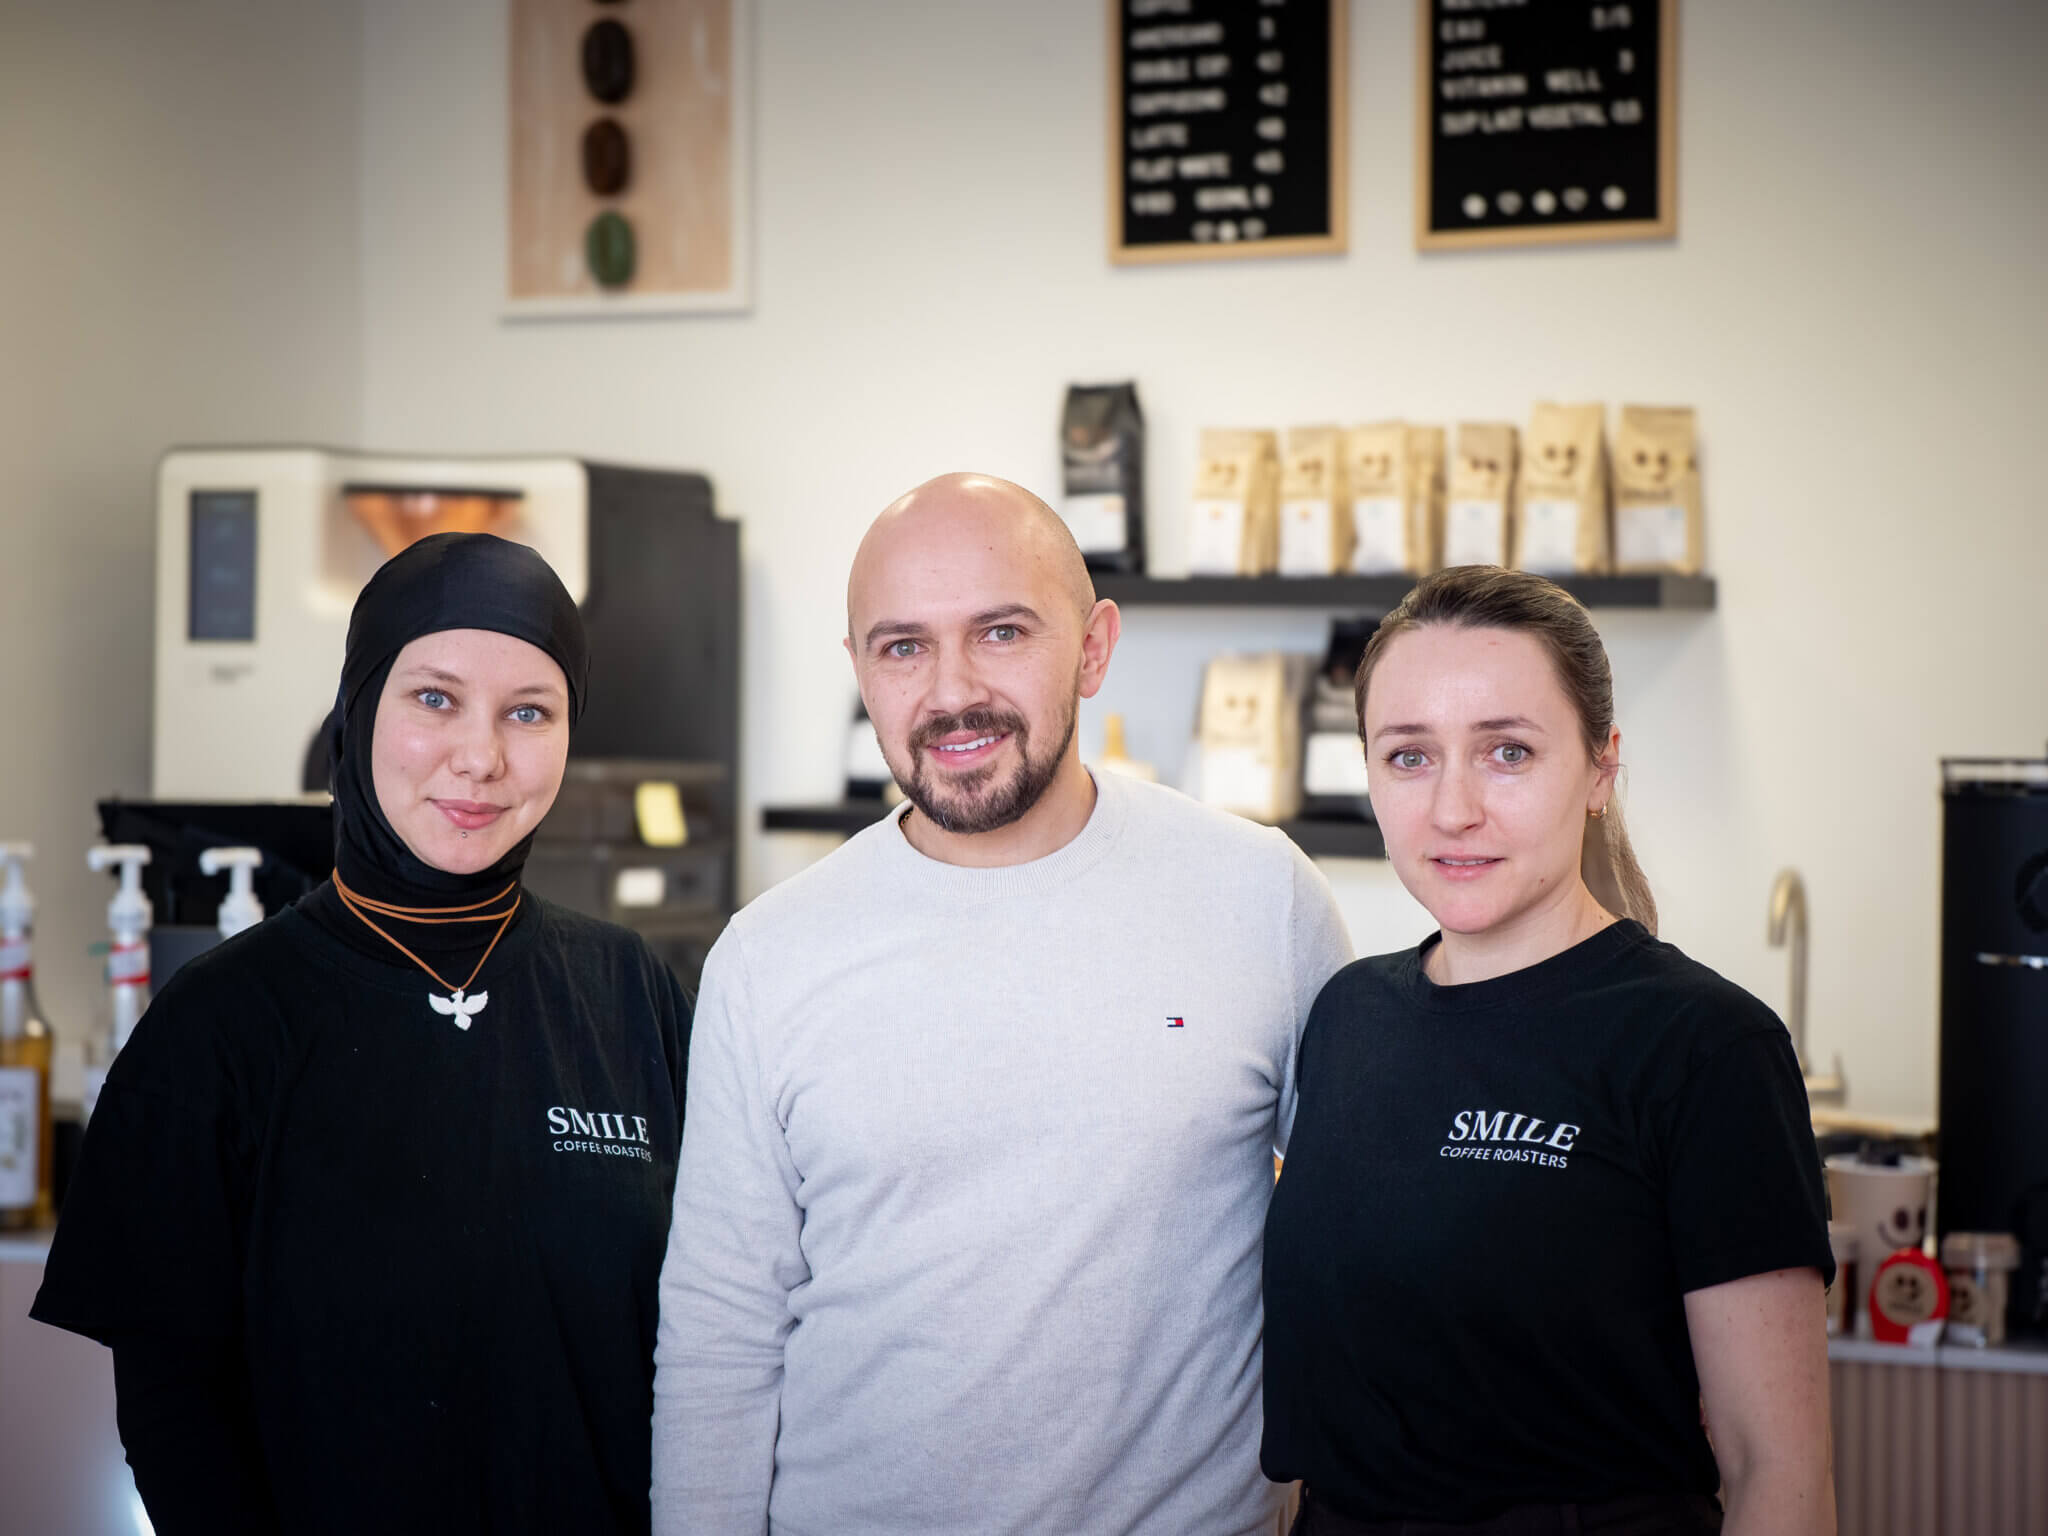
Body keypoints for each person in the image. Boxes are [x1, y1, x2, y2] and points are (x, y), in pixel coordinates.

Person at [652, 473, 1353, 1536]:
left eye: (1000, 631)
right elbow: (721, 1331)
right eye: (902, 647)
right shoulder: (768, 954)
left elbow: (1357, 1255)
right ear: (859, 671)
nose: (949, 691)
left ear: (1093, 647)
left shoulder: (1257, 896)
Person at [34, 533, 692, 1535]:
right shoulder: (220, 1025)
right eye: (434, 698)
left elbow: (711, 1344)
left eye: (530, 711)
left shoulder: (632, 992)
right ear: (357, 711)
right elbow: (173, 1406)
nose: (482, 756)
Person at [1262, 566, 1835, 1536]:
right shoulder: (1348, 1015)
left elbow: (1775, 1473)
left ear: (1599, 769)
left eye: (1506, 753)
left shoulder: (1702, 1046)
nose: (1451, 810)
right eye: (1407, 757)